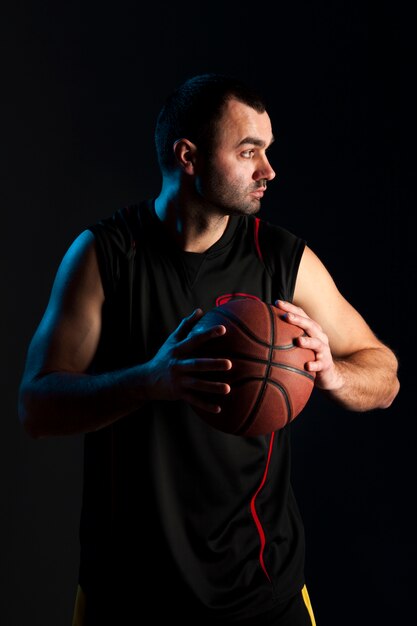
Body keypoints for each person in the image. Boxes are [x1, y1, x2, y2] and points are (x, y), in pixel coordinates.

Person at [18, 73, 400, 626]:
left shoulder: (281, 259)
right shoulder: (105, 256)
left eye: (268, 151)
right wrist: (151, 380)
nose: (268, 170)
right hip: (129, 594)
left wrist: (333, 374)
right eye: (249, 151)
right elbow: (36, 407)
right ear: (188, 157)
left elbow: (384, 374)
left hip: (262, 591)